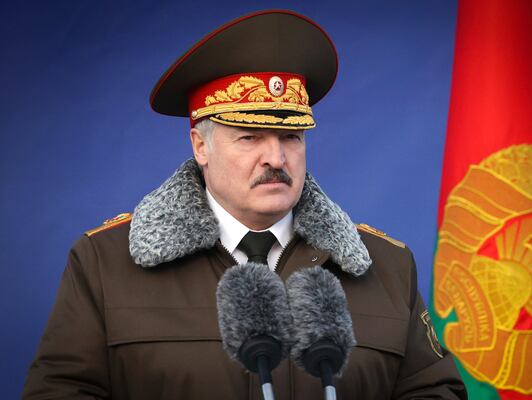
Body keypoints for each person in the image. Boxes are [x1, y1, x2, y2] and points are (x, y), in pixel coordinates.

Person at [22, 10, 467, 400]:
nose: (275, 158)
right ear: (200, 145)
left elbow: (434, 391)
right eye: (250, 137)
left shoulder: (387, 266)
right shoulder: (104, 264)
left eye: (291, 137)